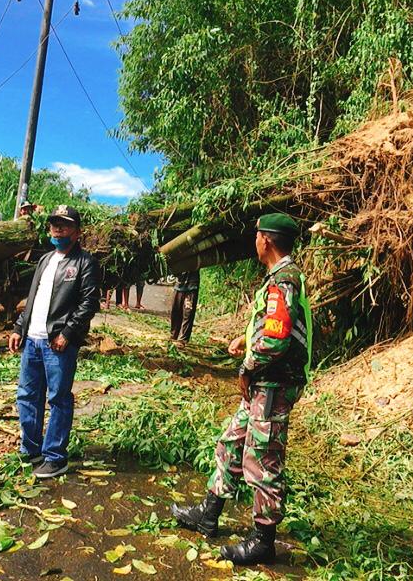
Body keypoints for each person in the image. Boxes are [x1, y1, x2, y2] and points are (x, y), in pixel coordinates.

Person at [171, 213, 313, 565]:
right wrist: (246, 338)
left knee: (263, 459)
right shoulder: (280, 278)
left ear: (266, 240)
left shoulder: (284, 279)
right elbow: (273, 325)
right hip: (265, 382)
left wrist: (247, 366)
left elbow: (277, 339)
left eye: (256, 236)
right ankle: (208, 511)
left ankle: (263, 540)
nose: (254, 241)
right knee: (232, 442)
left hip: (273, 383)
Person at [8, 205, 100, 479]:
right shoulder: (45, 260)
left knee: (58, 398)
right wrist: (18, 327)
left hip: (57, 343)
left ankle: (55, 456)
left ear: (77, 231)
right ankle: (31, 449)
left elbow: (88, 303)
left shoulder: (85, 262)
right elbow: (32, 297)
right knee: (27, 395)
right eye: (54, 224)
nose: (57, 229)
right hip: (33, 341)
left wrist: (67, 334)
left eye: (64, 225)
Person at [170, 271, 200, 343]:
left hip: (192, 285)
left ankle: (183, 340)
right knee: (175, 312)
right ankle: (173, 336)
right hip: (179, 284)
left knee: (188, 313)